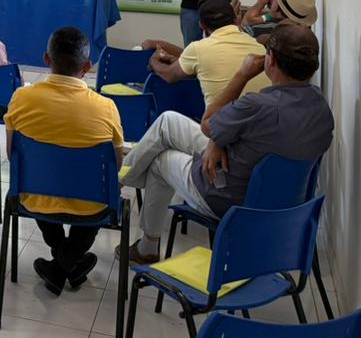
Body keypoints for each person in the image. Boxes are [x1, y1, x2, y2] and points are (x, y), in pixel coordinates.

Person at [117, 21, 334, 263]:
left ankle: (144, 242)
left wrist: (242, 75)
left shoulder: (256, 106)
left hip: (229, 197)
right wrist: (217, 141)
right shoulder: (321, 108)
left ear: (270, 60)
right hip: (285, 204)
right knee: (168, 122)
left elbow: (208, 122)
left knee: (160, 161)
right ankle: (122, 178)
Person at [3, 26, 124, 295]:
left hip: (36, 196)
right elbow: (115, 166)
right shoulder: (106, 107)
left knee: (41, 185)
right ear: (88, 66)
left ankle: (60, 265)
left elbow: (12, 154)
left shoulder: (22, 98)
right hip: (92, 203)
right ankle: (70, 261)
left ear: (47, 59)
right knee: (99, 194)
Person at [142, 0, 268, 106]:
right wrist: (173, 59)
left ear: (201, 25)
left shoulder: (198, 49)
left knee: (167, 117)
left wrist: (153, 61)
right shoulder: (259, 47)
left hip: (220, 121)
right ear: (236, 18)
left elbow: (169, 75)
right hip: (260, 120)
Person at [245, 0, 319, 39]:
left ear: (276, 6)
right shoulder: (308, 38)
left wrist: (260, 3)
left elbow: (246, 23)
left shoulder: (255, 30)